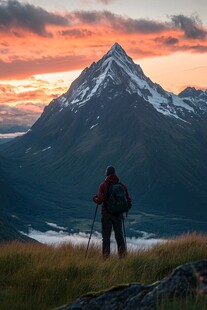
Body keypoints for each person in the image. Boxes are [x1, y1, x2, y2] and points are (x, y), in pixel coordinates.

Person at [93, 166, 132, 259]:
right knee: (119, 236)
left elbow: (99, 201)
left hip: (106, 215)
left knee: (106, 238)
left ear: (107, 173)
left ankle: (106, 259)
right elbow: (128, 200)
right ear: (114, 173)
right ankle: (123, 258)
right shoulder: (122, 186)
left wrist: (94, 198)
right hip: (118, 215)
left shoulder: (103, 185)